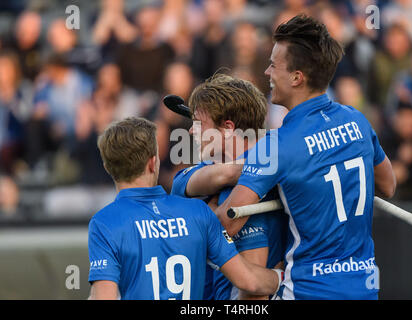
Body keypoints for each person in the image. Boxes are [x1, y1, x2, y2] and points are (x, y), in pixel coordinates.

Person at [214, 14, 396, 300]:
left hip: (309, 291)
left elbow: (228, 221)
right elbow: (388, 185)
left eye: (274, 65)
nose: (267, 72)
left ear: (297, 77)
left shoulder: (277, 145)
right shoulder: (357, 120)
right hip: (365, 288)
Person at [87, 117, 283, 300]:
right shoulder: (198, 211)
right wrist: (282, 276)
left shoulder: (104, 223)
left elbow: (104, 296)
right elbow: (249, 281)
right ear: (153, 162)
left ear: (107, 166)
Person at [170, 74, 287, 300]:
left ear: (227, 128)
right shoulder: (249, 173)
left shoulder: (242, 193)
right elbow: (190, 182)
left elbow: (252, 291)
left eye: (198, 123)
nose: (191, 131)